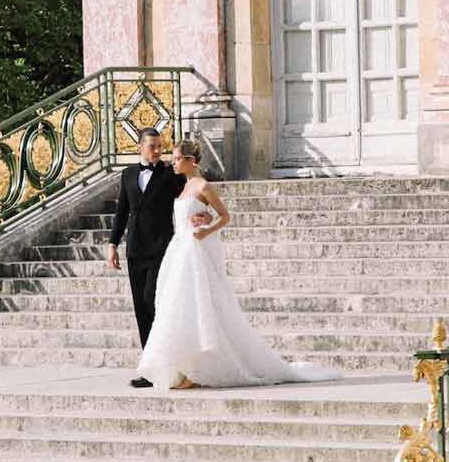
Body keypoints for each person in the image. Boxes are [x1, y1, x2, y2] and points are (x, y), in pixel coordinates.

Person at [136, 138, 344, 390]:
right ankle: (185, 366)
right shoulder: (183, 186)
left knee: (197, 306)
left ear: (190, 161)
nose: (172, 163)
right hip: (178, 250)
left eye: (177, 158)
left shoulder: (203, 185)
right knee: (177, 306)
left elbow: (226, 216)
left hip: (193, 250)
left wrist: (206, 229)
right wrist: (203, 216)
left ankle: (198, 370)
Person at [107, 127, 184, 387]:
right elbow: (121, 212)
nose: (157, 150)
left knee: (153, 300)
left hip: (162, 247)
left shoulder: (168, 174)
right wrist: (112, 244)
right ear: (139, 147)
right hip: (135, 249)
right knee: (141, 307)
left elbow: (189, 192)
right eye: (152, 146)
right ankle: (150, 369)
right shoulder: (128, 174)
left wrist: (201, 212)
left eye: (159, 146)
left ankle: (165, 363)